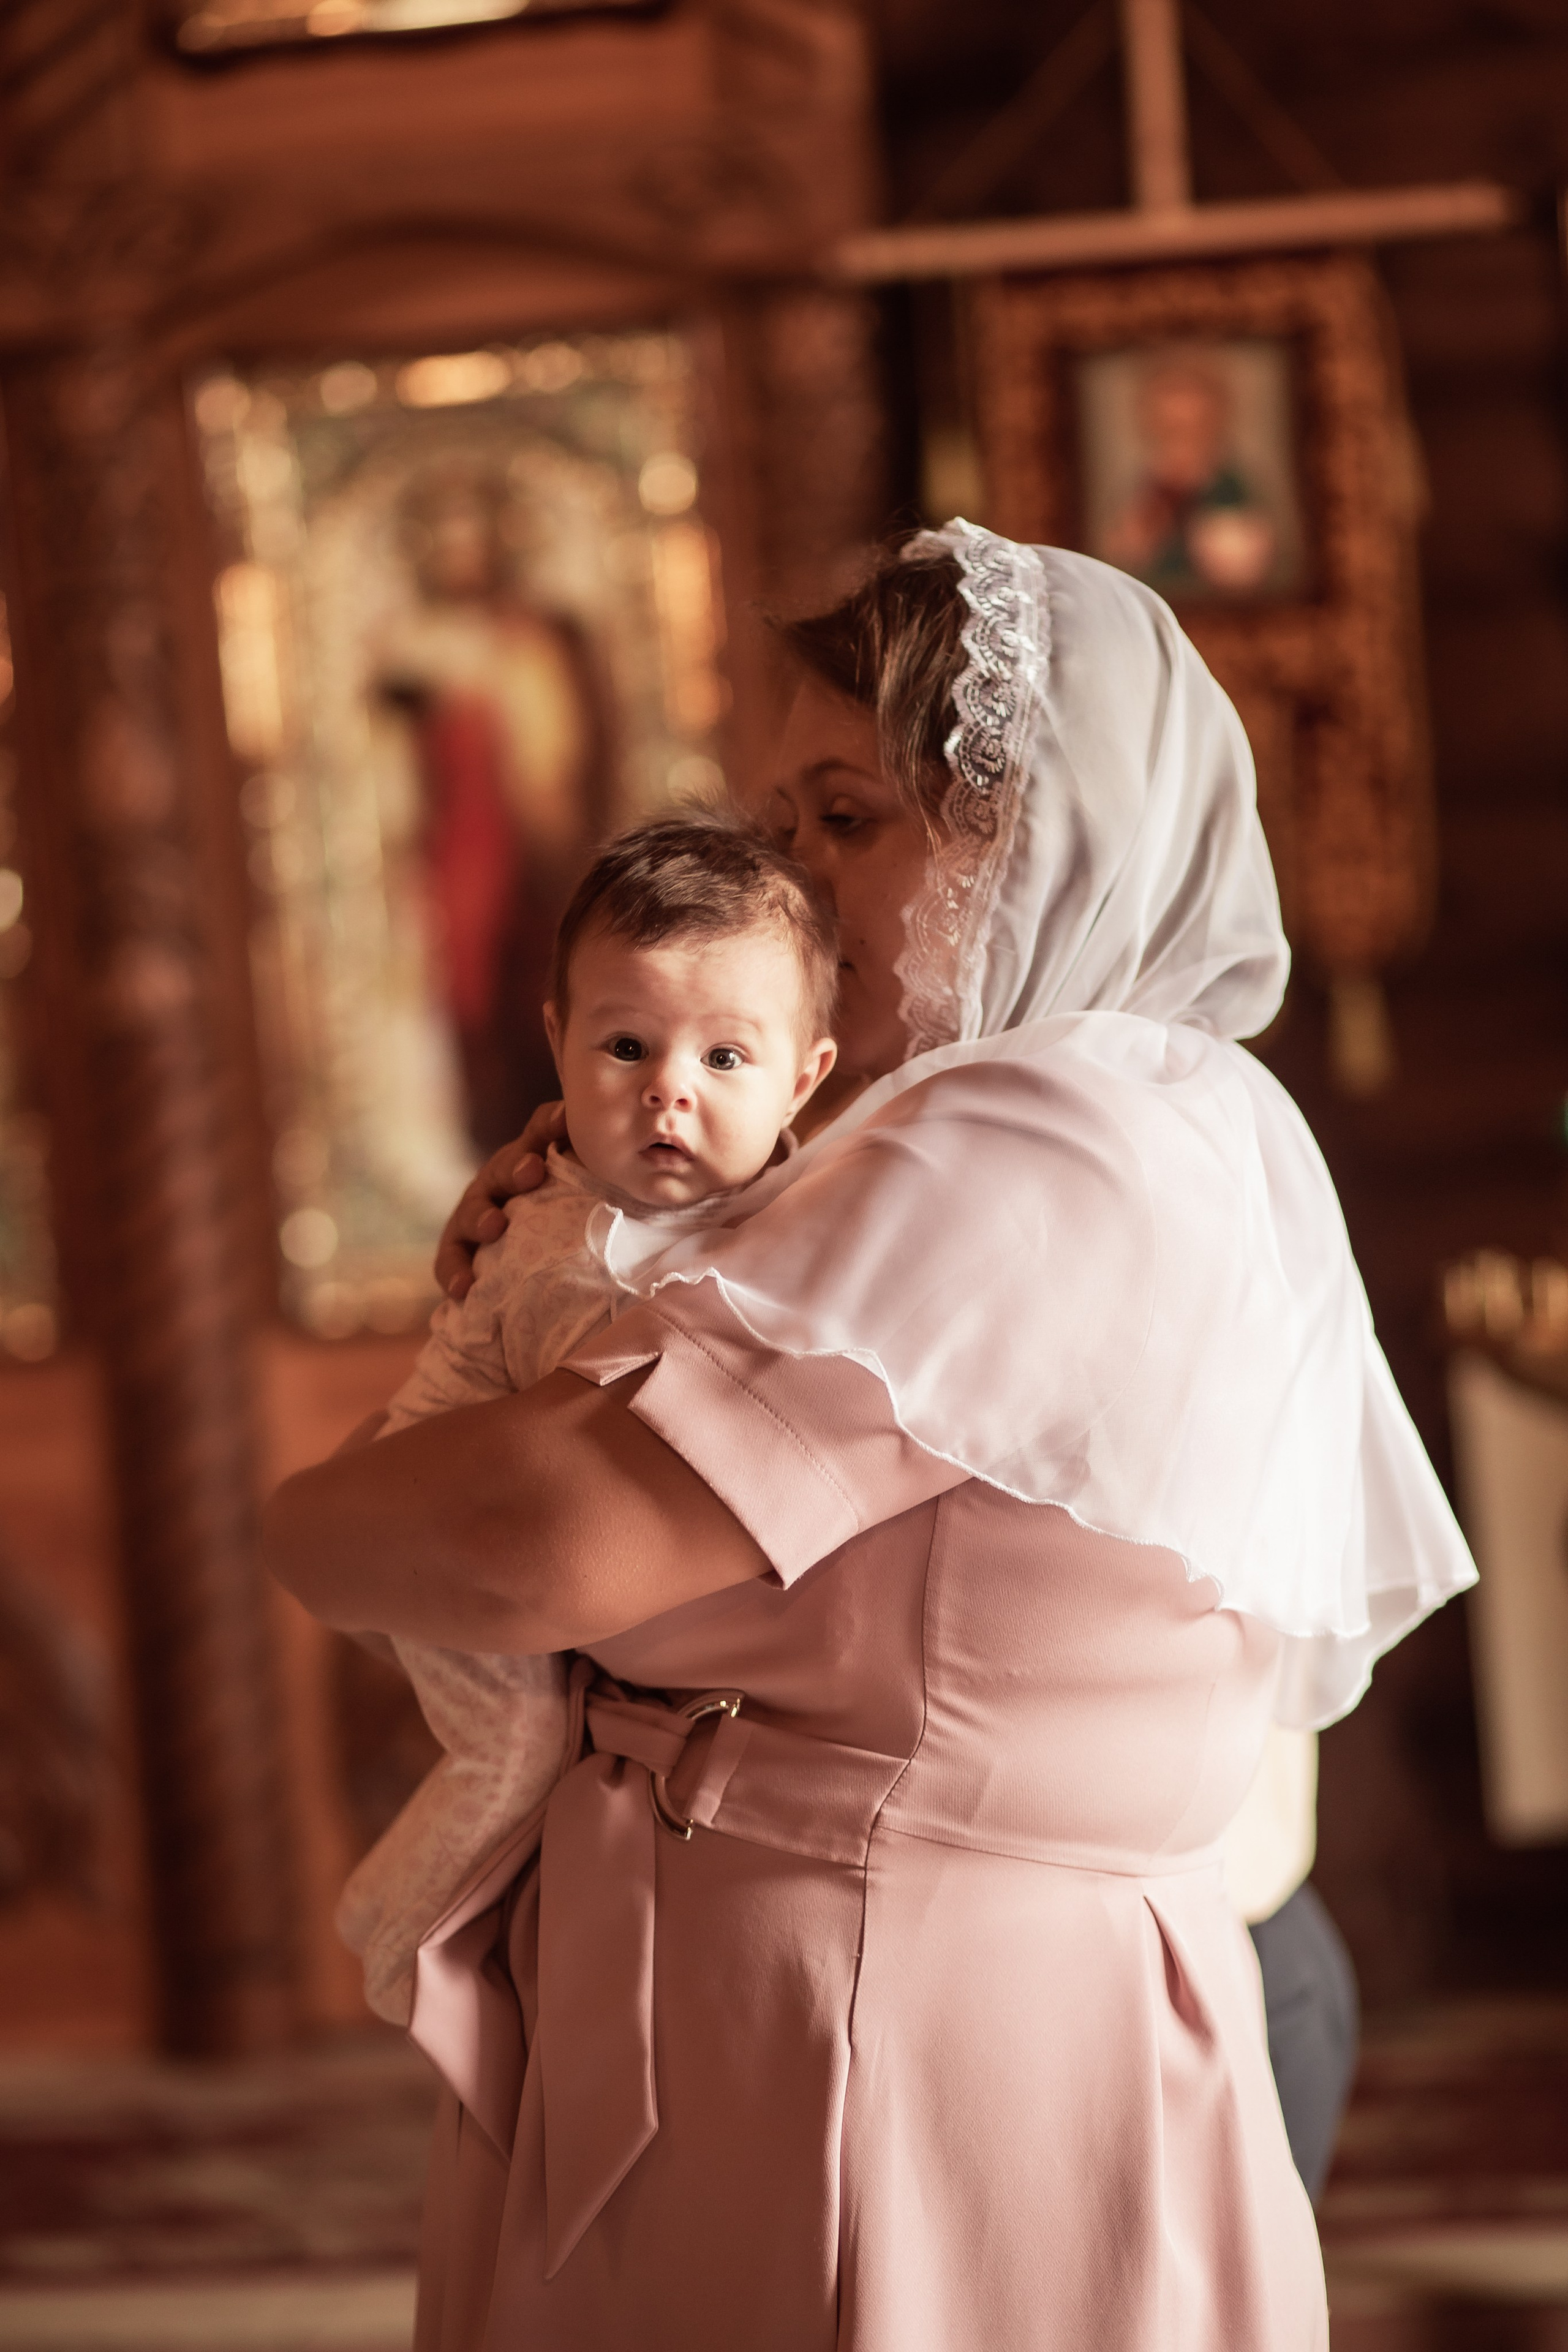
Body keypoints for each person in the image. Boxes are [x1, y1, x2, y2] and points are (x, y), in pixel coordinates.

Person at [266, 522, 1477, 2352]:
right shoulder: (939, 1135)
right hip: (783, 1997)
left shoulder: (1053, 1129)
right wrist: (558, 1264)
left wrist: (298, 1520)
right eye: (780, 824)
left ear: (1038, 839)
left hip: (892, 2036)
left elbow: (532, 1541)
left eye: (853, 819)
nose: (795, 893)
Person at [336, 816, 837, 2027]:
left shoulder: (782, 1201)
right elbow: (580, 1465)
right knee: (515, 1753)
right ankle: (399, 1949)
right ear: (556, 1044)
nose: (670, 1087)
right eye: (626, 1045)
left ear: (805, 1080)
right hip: (447, 1541)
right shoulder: (568, 1253)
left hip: (522, 1544)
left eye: (726, 1059)